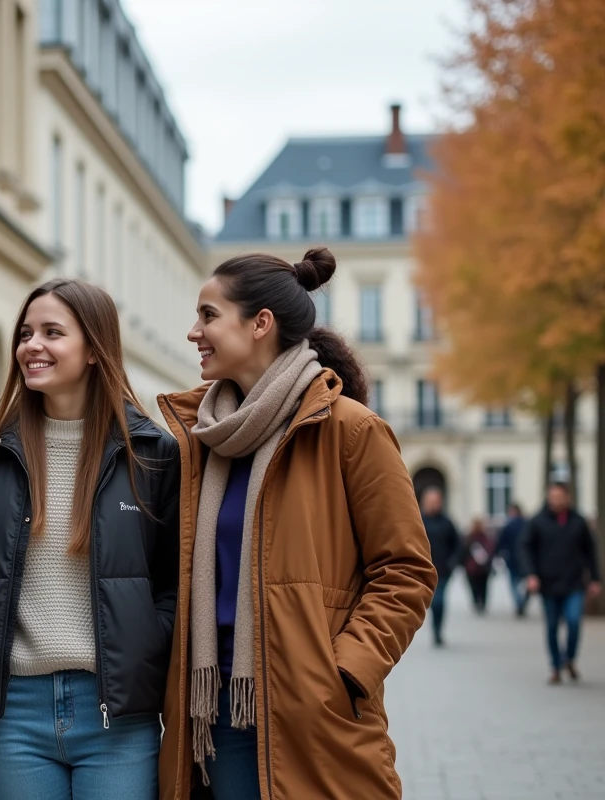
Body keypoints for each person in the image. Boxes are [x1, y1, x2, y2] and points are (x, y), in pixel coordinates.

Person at [157, 248, 436, 800]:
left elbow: (406, 570)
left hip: (314, 710)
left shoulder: (351, 431)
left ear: (261, 323)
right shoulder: (203, 442)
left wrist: (342, 672)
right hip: (215, 713)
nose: (194, 332)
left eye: (209, 315)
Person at [0, 278, 180, 800]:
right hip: (15, 714)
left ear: (95, 349)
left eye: (53, 332)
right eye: (26, 333)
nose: (32, 345)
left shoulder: (153, 455)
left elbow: (174, 579)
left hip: (116, 713)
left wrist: (145, 642)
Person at [520, 482, 602, 684]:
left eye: (559, 496)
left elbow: (590, 552)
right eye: (552, 496)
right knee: (552, 626)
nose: (555, 500)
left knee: (574, 621)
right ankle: (556, 666)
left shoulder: (578, 522)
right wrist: (531, 575)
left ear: (567, 497)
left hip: (574, 583)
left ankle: (570, 658)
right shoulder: (538, 522)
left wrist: (595, 579)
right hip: (548, 584)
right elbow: (525, 549)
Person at [420, 487, 462, 646]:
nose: (433, 504)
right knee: (432, 601)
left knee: (439, 601)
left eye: (436, 501)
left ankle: (437, 630)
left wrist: (453, 561)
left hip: (443, 570)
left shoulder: (447, 522)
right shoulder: (419, 521)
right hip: (424, 570)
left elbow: (458, 544)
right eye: (430, 501)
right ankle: (435, 628)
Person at [495, 503, 530, 616]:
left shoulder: (508, 526)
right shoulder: (527, 524)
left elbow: (501, 542)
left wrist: (498, 553)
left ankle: (519, 602)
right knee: (527, 582)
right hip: (526, 560)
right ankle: (522, 601)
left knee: (514, 584)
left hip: (513, 559)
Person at [462, 517, 495, 614]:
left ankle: (477, 601)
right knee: (483, 586)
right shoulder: (486, 538)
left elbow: (463, 552)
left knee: (474, 586)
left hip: (471, 568)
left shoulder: (468, 538)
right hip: (482, 568)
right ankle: (482, 602)